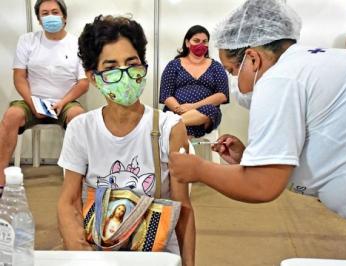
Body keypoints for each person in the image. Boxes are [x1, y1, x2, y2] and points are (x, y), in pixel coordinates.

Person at [169, 0, 346, 263]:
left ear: (253, 58)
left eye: (232, 71)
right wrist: (251, 160)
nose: (233, 80)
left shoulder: (279, 79)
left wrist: (198, 169)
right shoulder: (311, 64)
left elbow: (263, 186)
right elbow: (322, 142)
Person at [57, 15, 195, 266]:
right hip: (99, 246)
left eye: (132, 64)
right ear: (93, 76)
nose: (124, 75)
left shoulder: (170, 128)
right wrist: (81, 254)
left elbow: (183, 208)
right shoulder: (81, 129)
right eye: (110, 68)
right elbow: (69, 201)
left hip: (157, 252)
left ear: (143, 66)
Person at [0, 0, 89, 188]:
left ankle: (78, 178)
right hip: (32, 101)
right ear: (39, 19)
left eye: (55, 12)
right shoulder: (27, 40)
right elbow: (19, 77)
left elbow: (83, 83)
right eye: (45, 13)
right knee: (11, 115)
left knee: (79, 117)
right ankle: (1, 175)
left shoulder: (78, 43)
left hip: (66, 102)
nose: (50, 17)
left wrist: (63, 102)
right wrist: (33, 104)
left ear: (64, 17)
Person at [159, 25, 229, 138]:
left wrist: (192, 107)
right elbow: (166, 94)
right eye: (196, 41)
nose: (201, 44)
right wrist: (180, 109)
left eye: (204, 41)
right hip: (175, 111)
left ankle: (171, 125)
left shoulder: (216, 67)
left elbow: (222, 95)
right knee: (181, 123)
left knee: (211, 110)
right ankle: (179, 132)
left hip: (205, 115)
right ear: (187, 43)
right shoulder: (174, 65)